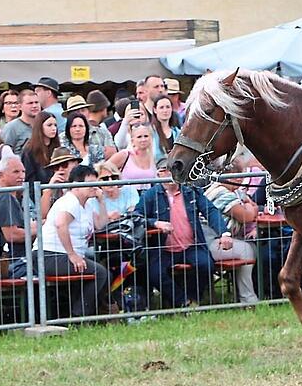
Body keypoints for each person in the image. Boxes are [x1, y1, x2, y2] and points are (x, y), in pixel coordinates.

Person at [136, 159, 231, 308]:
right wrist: (155, 223)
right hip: (162, 249)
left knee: (206, 265)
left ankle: (193, 299)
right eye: (167, 170)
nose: (172, 174)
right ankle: (183, 302)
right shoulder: (150, 195)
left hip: (191, 246)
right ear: (159, 174)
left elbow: (210, 210)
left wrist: (224, 233)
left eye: (175, 170)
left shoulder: (191, 191)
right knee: (155, 273)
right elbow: (137, 217)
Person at [33, 164, 109, 317]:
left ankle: (90, 312)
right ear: (76, 185)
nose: (94, 186)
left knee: (100, 270)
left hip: (61, 255)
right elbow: (61, 224)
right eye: (89, 183)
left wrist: (101, 201)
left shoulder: (86, 205)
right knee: (100, 272)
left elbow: (101, 224)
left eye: (96, 182)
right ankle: (79, 315)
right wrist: (72, 254)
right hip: (50, 255)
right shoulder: (70, 201)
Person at [204, 158, 260, 304]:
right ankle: (248, 300)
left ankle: (243, 295)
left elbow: (251, 206)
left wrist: (249, 206)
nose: (242, 180)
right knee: (247, 250)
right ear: (232, 176)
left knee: (253, 247)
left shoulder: (233, 192)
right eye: (240, 176)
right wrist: (250, 207)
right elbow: (247, 216)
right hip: (210, 242)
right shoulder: (220, 192)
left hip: (226, 239)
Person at [0, 155, 33, 276]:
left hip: (1, 261)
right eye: (16, 172)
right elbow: (12, 235)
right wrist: (42, 230)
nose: (21, 176)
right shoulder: (4, 197)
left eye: (23, 171)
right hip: (12, 262)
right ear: (1, 175)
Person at [108, 122, 156, 190]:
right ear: (132, 140)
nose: (143, 139)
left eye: (146, 136)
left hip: (147, 197)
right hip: (127, 197)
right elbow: (104, 169)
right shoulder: (125, 155)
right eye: (139, 137)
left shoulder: (153, 157)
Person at [21, 112, 61, 184]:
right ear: (39, 127)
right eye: (49, 125)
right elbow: (29, 179)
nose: (53, 128)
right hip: (38, 191)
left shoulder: (58, 148)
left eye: (55, 125)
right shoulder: (29, 150)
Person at [2, 89, 42, 155]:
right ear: (20, 106)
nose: (34, 106)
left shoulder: (44, 125)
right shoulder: (11, 128)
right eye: (30, 103)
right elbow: (4, 155)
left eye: (36, 102)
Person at [149, 94, 181, 162]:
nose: (165, 110)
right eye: (161, 107)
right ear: (155, 110)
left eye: (168, 107)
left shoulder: (178, 133)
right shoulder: (149, 132)